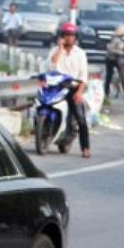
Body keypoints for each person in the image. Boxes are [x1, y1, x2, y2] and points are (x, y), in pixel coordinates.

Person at [50, 23, 91, 158]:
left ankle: (85, 147)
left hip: (73, 88)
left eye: (71, 35)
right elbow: (51, 66)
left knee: (80, 118)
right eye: (66, 35)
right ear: (62, 36)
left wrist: (79, 92)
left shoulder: (80, 54)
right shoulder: (55, 50)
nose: (69, 38)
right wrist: (60, 48)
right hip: (57, 87)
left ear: (75, 37)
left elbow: (83, 77)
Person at [104, 25, 124, 98]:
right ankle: (106, 92)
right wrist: (118, 52)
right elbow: (109, 48)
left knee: (121, 72)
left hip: (117, 59)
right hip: (110, 59)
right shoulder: (115, 40)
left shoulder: (121, 40)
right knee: (109, 75)